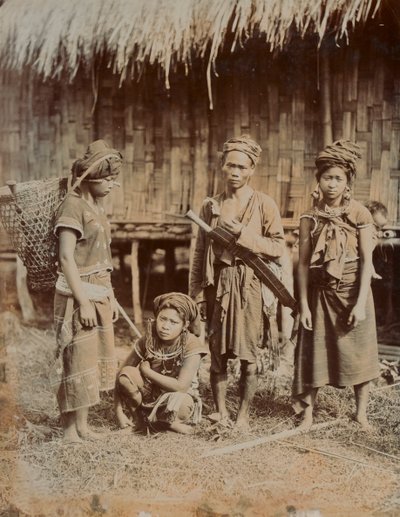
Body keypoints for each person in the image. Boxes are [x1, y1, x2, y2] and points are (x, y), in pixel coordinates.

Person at [189, 135, 285, 429]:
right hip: (218, 284)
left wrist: (245, 235)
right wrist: (196, 295)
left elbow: (279, 246)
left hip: (251, 285)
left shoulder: (264, 205)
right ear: (222, 165)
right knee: (217, 354)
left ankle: (242, 416)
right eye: (230, 165)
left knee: (249, 355)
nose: (235, 172)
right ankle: (221, 412)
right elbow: (199, 252)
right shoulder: (210, 206)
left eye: (242, 167)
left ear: (252, 169)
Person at [293, 140, 379, 430]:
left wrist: (360, 303)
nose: (332, 185)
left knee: (360, 352)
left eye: (338, 179)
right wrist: (302, 305)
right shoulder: (309, 217)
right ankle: (306, 415)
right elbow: (303, 264)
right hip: (319, 294)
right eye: (327, 178)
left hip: (354, 291)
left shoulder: (360, 214)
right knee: (314, 354)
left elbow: (368, 262)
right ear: (318, 180)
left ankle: (361, 414)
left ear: (347, 182)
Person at [53, 140, 123, 443]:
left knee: (90, 360)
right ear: (89, 178)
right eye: (106, 179)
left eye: (112, 179)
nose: (111, 184)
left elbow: (101, 259)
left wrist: (111, 296)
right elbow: (66, 258)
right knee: (75, 357)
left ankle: (83, 426)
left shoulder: (97, 206)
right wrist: (82, 302)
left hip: (98, 290)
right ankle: (69, 430)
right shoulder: (72, 206)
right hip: (76, 293)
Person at [114, 292, 208, 435]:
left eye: (173, 322)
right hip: (150, 394)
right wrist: (118, 411)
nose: (165, 326)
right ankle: (139, 421)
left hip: (176, 399)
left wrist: (147, 372)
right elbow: (122, 371)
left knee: (181, 403)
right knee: (126, 375)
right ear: (156, 318)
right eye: (162, 319)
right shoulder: (149, 339)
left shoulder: (192, 344)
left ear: (185, 325)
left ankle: (167, 423)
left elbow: (181, 387)